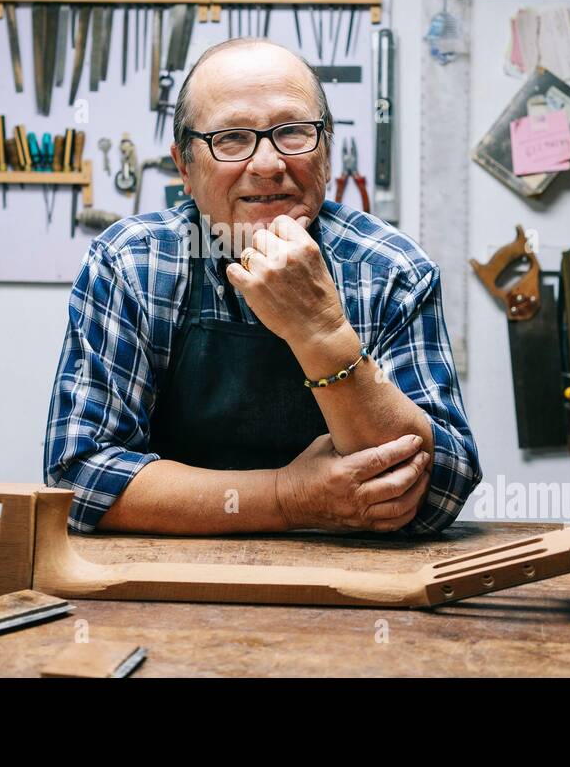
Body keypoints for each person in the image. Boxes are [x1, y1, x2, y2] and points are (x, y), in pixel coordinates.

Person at [44, 38, 480, 535]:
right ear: (184, 166)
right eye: (231, 138)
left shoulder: (392, 271)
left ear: (327, 149)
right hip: (168, 584)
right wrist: (287, 498)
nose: (269, 164)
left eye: (293, 132)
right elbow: (76, 479)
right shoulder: (130, 265)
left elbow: (442, 486)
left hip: (353, 586)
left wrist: (322, 331)